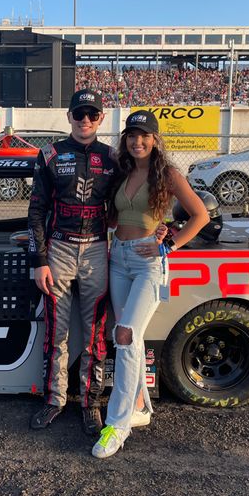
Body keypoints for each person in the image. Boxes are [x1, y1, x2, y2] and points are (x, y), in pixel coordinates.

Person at [92, 110, 209, 459]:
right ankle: (140, 405)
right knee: (131, 337)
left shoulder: (168, 174)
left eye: (144, 136)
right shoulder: (121, 172)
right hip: (118, 258)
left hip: (148, 263)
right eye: (131, 135)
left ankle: (118, 423)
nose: (137, 141)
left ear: (155, 140)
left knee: (125, 335)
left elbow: (200, 215)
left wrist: (168, 241)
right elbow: (114, 217)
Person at [27, 89, 119, 435]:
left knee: (95, 334)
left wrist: (156, 232)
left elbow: (129, 203)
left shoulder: (112, 158)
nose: (85, 120)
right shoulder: (50, 155)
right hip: (59, 251)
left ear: (101, 119)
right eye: (79, 114)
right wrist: (40, 261)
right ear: (68, 116)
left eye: (92, 115)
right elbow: (35, 212)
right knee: (57, 331)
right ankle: (54, 400)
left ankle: (90, 403)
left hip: (97, 250)